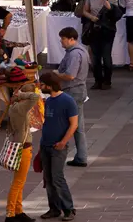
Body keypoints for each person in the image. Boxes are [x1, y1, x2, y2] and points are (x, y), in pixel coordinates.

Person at [38, 72, 78, 221]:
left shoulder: (67, 101)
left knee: (57, 178)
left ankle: (69, 208)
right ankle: (54, 208)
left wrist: (62, 142)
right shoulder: (47, 101)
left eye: (42, 85)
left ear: (49, 85)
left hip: (58, 147)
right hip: (45, 144)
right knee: (48, 179)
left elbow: (74, 124)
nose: (40, 87)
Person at [53, 26, 90, 168]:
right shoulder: (78, 51)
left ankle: (67, 153)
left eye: (63, 39)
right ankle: (81, 155)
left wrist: (57, 75)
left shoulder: (75, 54)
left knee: (71, 125)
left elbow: (70, 75)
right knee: (77, 125)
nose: (61, 42)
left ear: (71, 39)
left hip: (73, 91)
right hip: (77, 90)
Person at [4, 83, 39, 222]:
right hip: (24, 147)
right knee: (18, 182)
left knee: (19, 182)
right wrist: (23, 95)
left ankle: (18, 211)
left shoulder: (14, 107)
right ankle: (10, 213)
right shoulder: (21, 107)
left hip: (18, 144)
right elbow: (35, 97)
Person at [82, 0, 120, 90]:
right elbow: (85, 10)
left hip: (107, 30)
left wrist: (110, 8)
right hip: (94, 29)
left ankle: (107, 81)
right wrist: (91, 17)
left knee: (106, 56)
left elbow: (116, 16)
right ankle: (97, 80)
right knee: (95, 57)